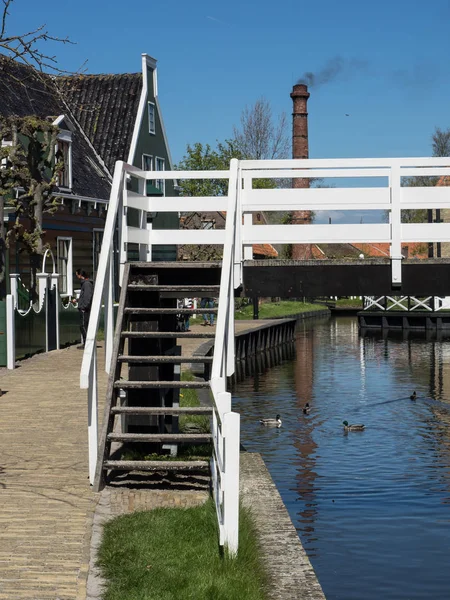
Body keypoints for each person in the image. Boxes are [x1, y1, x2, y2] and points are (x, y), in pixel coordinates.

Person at [74, 269, 94, 349]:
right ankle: (87, 343)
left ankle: (87, 344)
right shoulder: (85, 284)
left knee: (83, 326)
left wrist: (84, 307)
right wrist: (77, 300)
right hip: (84, 307)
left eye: (77, 275)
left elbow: (87, 297)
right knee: (83, 326)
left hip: (84, 309)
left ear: (80, 275)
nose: (76, 276)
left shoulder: (86, 284)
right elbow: (84, 296)